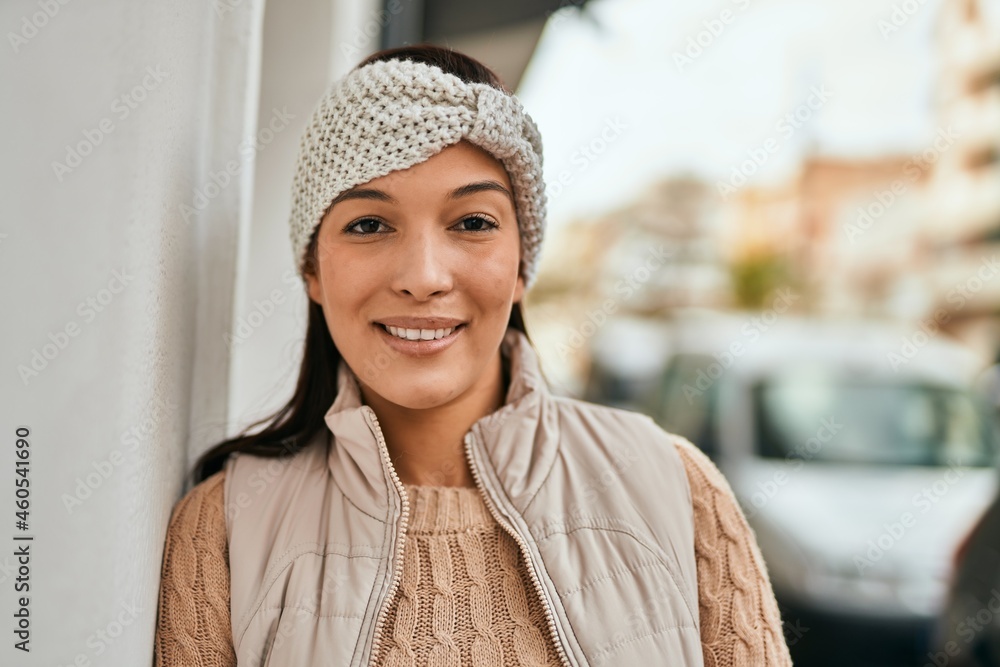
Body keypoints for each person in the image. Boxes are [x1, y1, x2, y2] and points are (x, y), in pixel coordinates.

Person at [153, 44, 792, 667]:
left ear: (521, 266)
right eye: (369, 225)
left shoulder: (675, 489)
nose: (424, 277)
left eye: (473, 222)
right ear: (313, 270)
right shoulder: (224, 529)